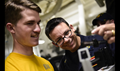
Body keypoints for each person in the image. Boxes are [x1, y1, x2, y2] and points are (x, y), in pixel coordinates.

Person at [45, 17, 115, 71]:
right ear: (55, 44)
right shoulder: (64, 66)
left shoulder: (103, 41)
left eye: (66, 33)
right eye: (59, 40)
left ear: (72, 28)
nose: (66, 40)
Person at [5, 0, 54, 71]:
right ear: (11, 28)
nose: (38, 29)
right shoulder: (10, 67)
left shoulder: (47, 64)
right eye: (30, 23)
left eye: (38, 23)